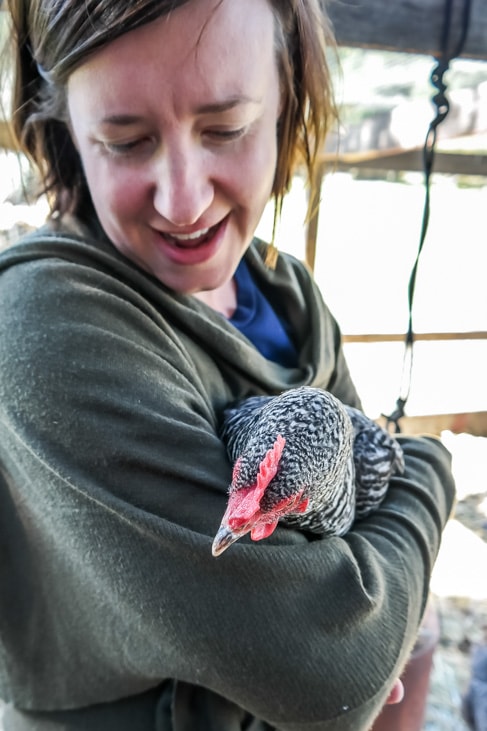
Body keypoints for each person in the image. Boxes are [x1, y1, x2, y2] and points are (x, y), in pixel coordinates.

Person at [0, 1, 455, 730]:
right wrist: (433, 468)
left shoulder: (287, 294)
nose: (184, 201)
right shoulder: (42, 318)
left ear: (286, 103)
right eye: (124, 139)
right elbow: (333, 670)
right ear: (67, 135)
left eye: (226, 129)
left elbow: (367, 553)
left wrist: (376, 606)